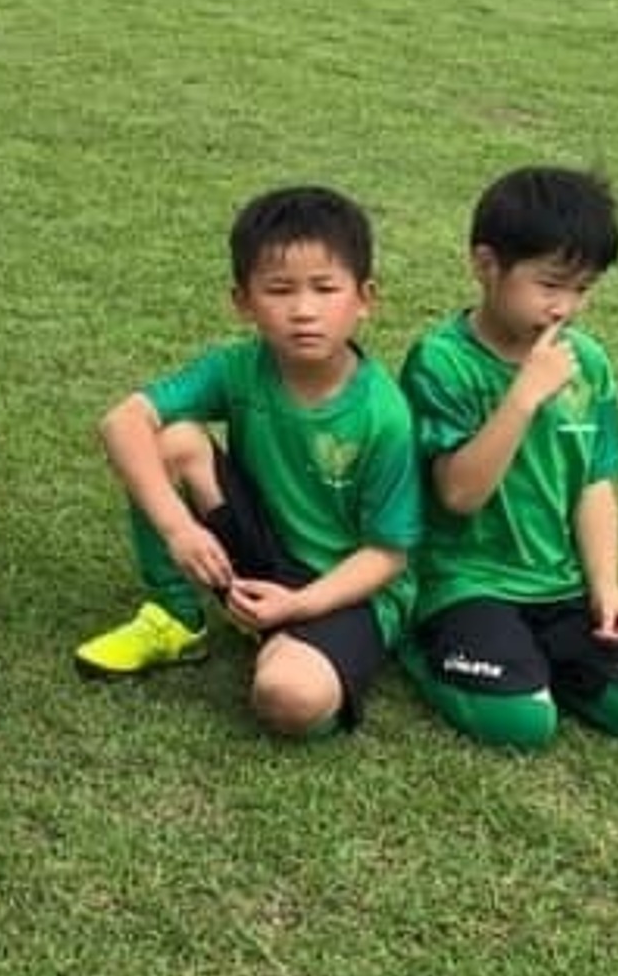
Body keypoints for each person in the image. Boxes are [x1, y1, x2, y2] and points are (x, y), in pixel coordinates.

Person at [76, 185, 420, 741]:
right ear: (243, 301)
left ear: (364, 298)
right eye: (279, 290)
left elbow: (387, 556)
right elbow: (121, 423)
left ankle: (294, 643)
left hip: (343, 585)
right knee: (171, 441)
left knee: (287, 698)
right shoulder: (238, 367)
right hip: (263, 550)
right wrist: (179, 529)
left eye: (325, 288)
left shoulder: (385, 415)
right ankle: (176, 618)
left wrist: (300, 605)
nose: (304, 310)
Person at [397, 166, 618, 749]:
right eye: (550, 285)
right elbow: (458, 495)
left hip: (559, 587)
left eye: (583, 289)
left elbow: (594, 483)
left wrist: (606, 588)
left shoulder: (589, 364)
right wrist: (524, 394)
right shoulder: (441, 361)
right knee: (523, 724)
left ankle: (534, 661)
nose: (565, 308)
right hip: (465, 581)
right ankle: (418, 644)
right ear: (486, 265)